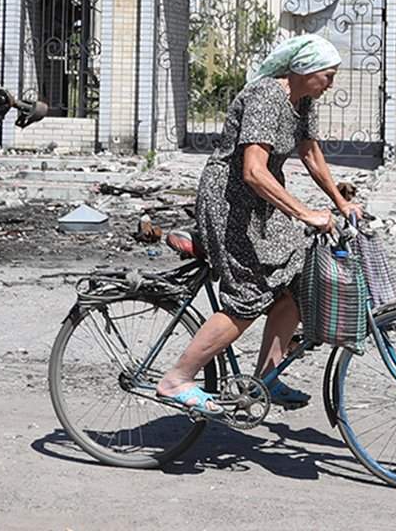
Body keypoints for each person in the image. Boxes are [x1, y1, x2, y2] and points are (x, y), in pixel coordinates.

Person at [154, 33, 363, 414]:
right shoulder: (267, 96)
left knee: (296, 283)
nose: (331, 83)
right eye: (328, 75)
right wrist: (304, 212)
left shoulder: (302, 100)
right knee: (249, 298)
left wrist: (339, 201)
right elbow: (252, 170)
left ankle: (266, 379)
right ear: (305, 70)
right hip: (230, 202)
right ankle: (177, 379)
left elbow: (310, 153)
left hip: (264, 204)